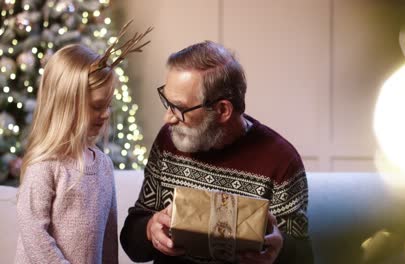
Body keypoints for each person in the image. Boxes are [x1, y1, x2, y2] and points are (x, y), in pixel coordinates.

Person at [120, 40, 311, 264]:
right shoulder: (168, 140)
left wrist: (279, 251)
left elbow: (304, 257)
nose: (168, 118)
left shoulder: (280, 161)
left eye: (180, 108)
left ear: (222, 110)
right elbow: (132, 244)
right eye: (167, 102)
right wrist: (149, 229)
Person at [15, 23, 152, 264]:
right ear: (66, 105)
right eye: (97, 106)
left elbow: (109, 239)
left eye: (108, 105)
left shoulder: (104, 166)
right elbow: (34, 234)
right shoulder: (45, 166)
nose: (106, 114)